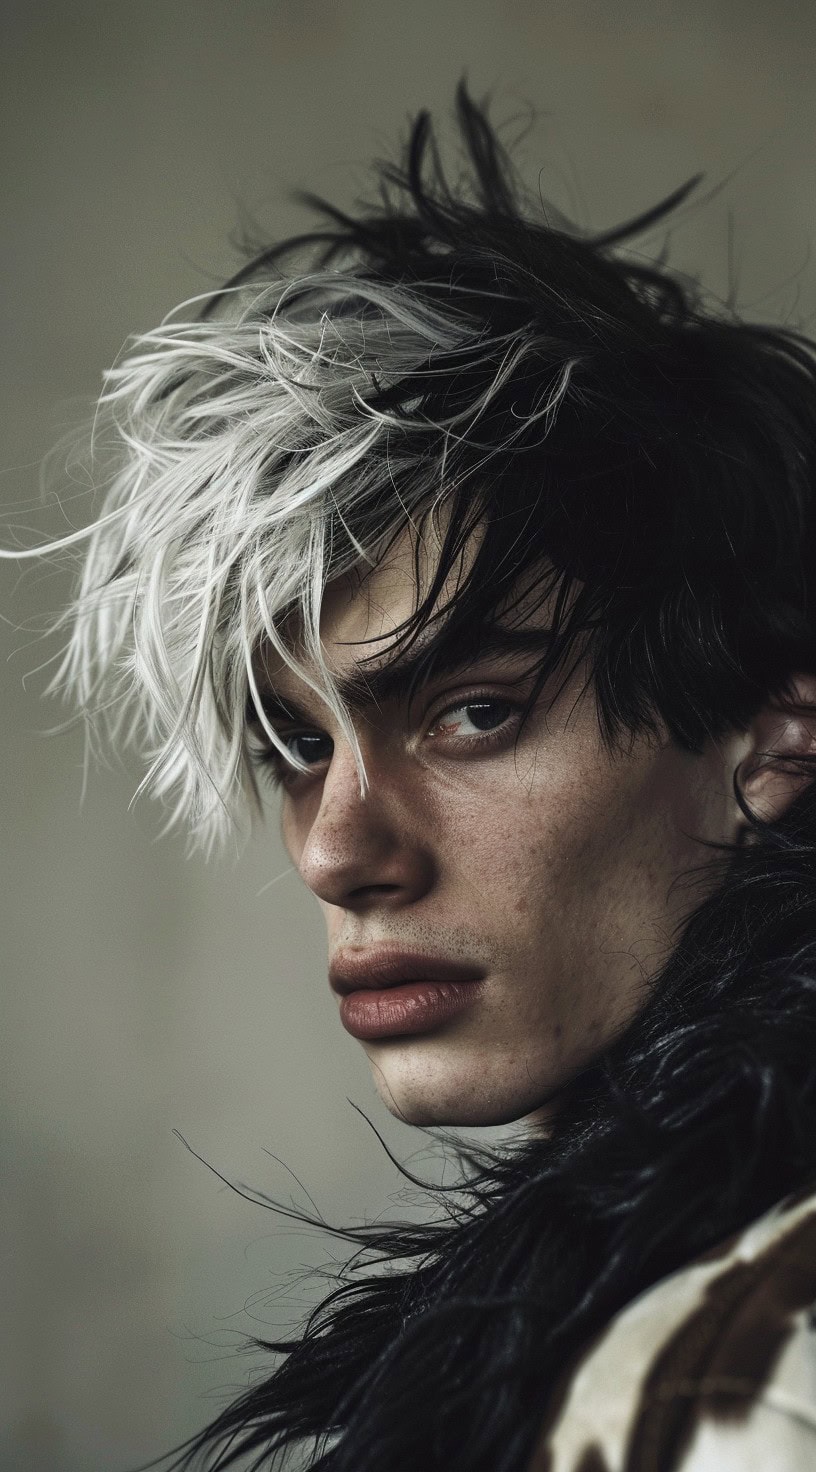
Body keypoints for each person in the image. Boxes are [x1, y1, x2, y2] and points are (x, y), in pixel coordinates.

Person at [8, 85, 816, 1471]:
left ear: (774, 744)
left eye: (475, 712)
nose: (336, 852)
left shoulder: (736, 1388)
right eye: (297, 744)